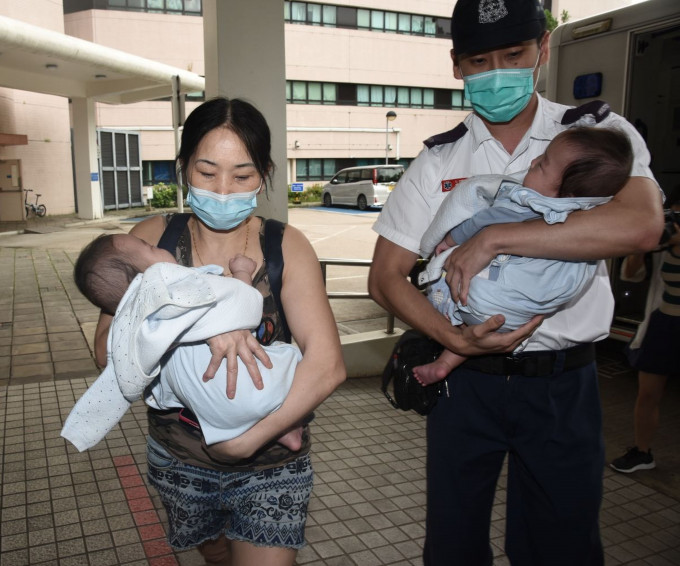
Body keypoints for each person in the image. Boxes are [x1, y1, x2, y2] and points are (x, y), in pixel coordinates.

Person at [367, 1, 664, 564]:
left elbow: (642, 223)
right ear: (457, 67)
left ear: (542, 51)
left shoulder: (592, 135)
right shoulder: (439, 160)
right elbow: (385, 278)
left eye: (514, 54)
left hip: (562, 384)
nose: (497, 70)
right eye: (480, 59)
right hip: (466, 387)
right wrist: (452, 340)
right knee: (453, 546)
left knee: (563, 546)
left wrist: (497, 238)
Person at [92, 97, 345, 565]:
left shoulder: (285, 246)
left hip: (272, 459)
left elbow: (327, 365)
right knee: (215, 554)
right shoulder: (152, 240)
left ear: (265, 173)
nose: (224, 190)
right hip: (178, 459)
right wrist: (197, 327)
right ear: (183, 167)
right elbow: (107, 352)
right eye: (207, 173)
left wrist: (247, 442)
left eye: (242, 175)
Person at [414, 126, 633, 385]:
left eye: (543, 165)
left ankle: (444, 349)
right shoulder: (591, 218)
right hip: (518, 317)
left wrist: (451, 238)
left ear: (565, 194)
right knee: (476, 328)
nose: (533, 162)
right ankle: (445, 363)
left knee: (448, 289)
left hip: (484, 302)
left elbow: (486, 219)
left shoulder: (526, 203)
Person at [62, 233, 303, 454]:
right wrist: (242, 273)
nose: (156, 245)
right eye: (148, 246)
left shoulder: (131, 332)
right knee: (288, 354)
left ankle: (284, 432)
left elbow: (127, 374)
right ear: (148, 278)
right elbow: (242, 302)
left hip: (213, 415)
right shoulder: (178, 292)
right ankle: (286, 424)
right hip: (250, 389)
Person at [610, 193, 680, 473]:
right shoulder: (663, 243)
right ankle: (642, 452)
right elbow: (630, 274)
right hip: (665, 322)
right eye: (673, 216)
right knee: (648, 392)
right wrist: (641, 243)